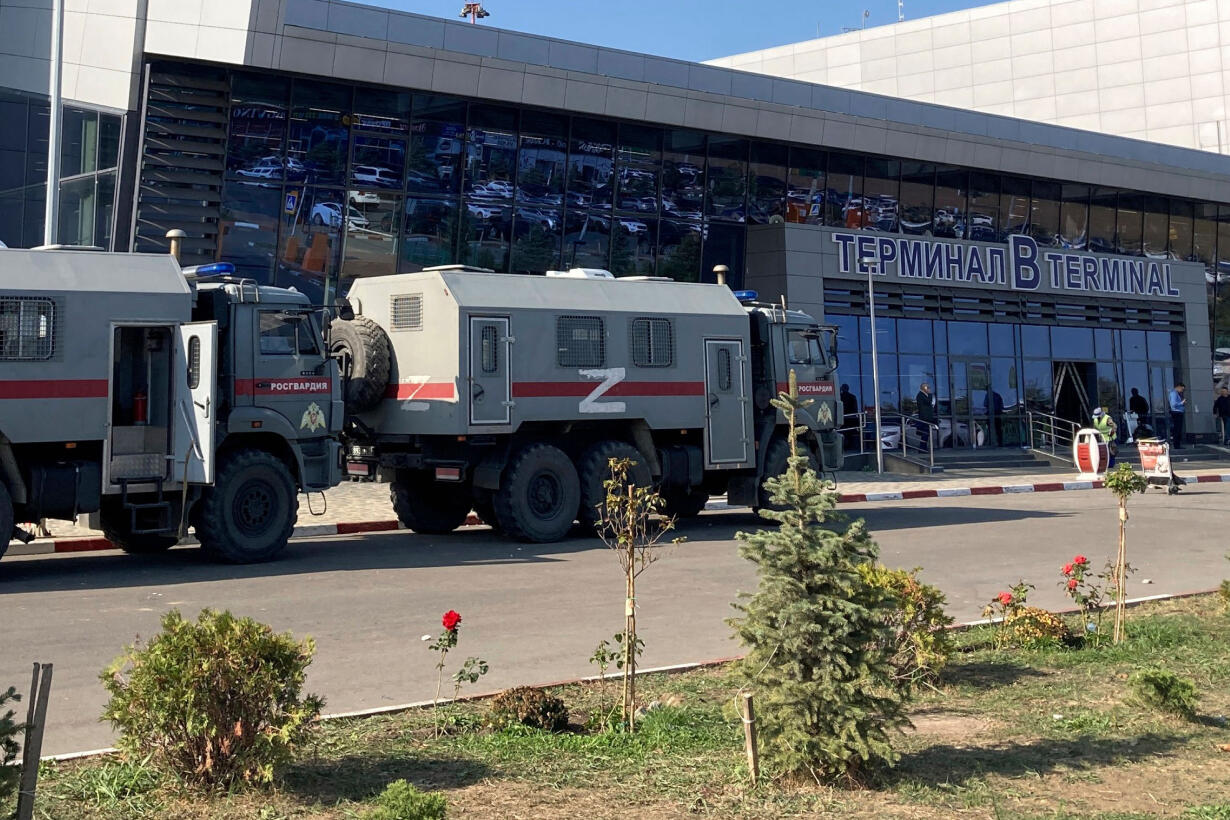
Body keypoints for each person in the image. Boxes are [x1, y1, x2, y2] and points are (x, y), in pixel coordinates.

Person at [840, 383, 860, 449]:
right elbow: (855, 409)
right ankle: (850, 447)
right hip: (851, 420)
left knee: (843, 434)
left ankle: (844, 447)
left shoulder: (839, 397)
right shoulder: (852, 397)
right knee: (850, 435)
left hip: (842, 420)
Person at [1168, 382, 1187, 449]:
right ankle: (1177, 445)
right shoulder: (1174, 393)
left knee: (1178, 429)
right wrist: (1182, 403)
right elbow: (1173, 404)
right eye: (1182, 389)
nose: (1182, 391)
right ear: (1178, 387)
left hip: (1177, 412)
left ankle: (1177, 444)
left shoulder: (1175, 393)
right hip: (1176, 413)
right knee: (1177, 429)